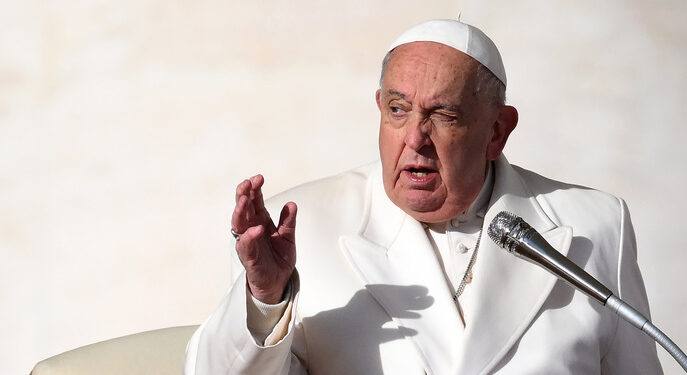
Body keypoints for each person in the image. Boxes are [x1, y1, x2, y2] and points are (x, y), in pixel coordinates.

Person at [183, 20, 662, 374]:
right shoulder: (300, 227)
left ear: (497, 131)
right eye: (398, 110)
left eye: (444, 116)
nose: (415, 137)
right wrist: (266, 299)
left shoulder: (596, 225)